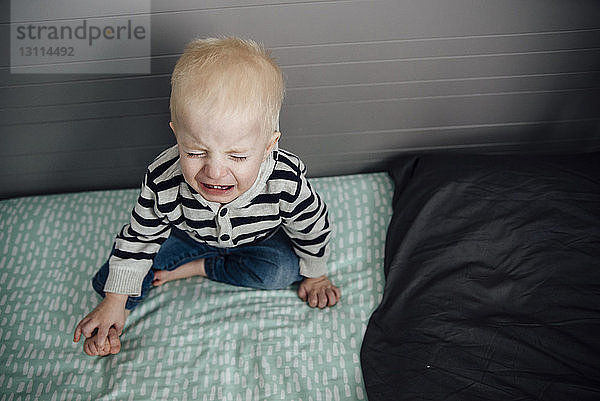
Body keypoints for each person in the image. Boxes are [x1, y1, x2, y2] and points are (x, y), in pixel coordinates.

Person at [73, 37, 341, 356]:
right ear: (177, 135)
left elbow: (312, 228)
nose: (214, 172)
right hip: (187, 236)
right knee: (110, 279)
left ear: (269, 145)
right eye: (195, 151)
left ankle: (200, 268)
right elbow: (139, 238)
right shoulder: (163, 178)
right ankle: (115, 323)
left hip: (259, 240)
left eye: (238, 156)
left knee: (284, 271)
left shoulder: (285, 179)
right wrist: (116, 303)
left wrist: (317, 274)